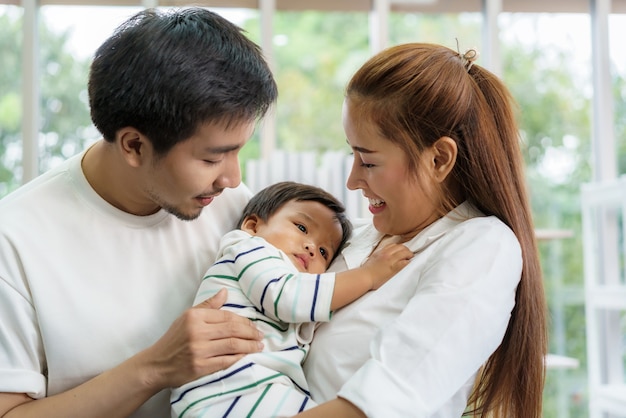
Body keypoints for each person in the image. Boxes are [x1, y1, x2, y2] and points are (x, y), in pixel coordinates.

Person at [0, 7, 278, 418]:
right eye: (212, 158)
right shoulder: (15, 240)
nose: (232, 180)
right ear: (133, 145)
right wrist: (155, 368)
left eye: (239, 150)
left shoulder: (239, 213)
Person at [298, 43, 548, 418]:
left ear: (439, 159)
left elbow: (381, 403)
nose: (352, 181)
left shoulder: (482, 248)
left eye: (367, 161)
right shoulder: (361, 238)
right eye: (352, 156)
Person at [170, 181, 413, 418]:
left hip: (259, 389)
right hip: (225, 389)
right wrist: (368, 275)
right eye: (302, 228)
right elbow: (287, 297)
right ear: (253, 225)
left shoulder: (288, 276)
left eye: (323, 252)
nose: (310, 247)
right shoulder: (248, 249)